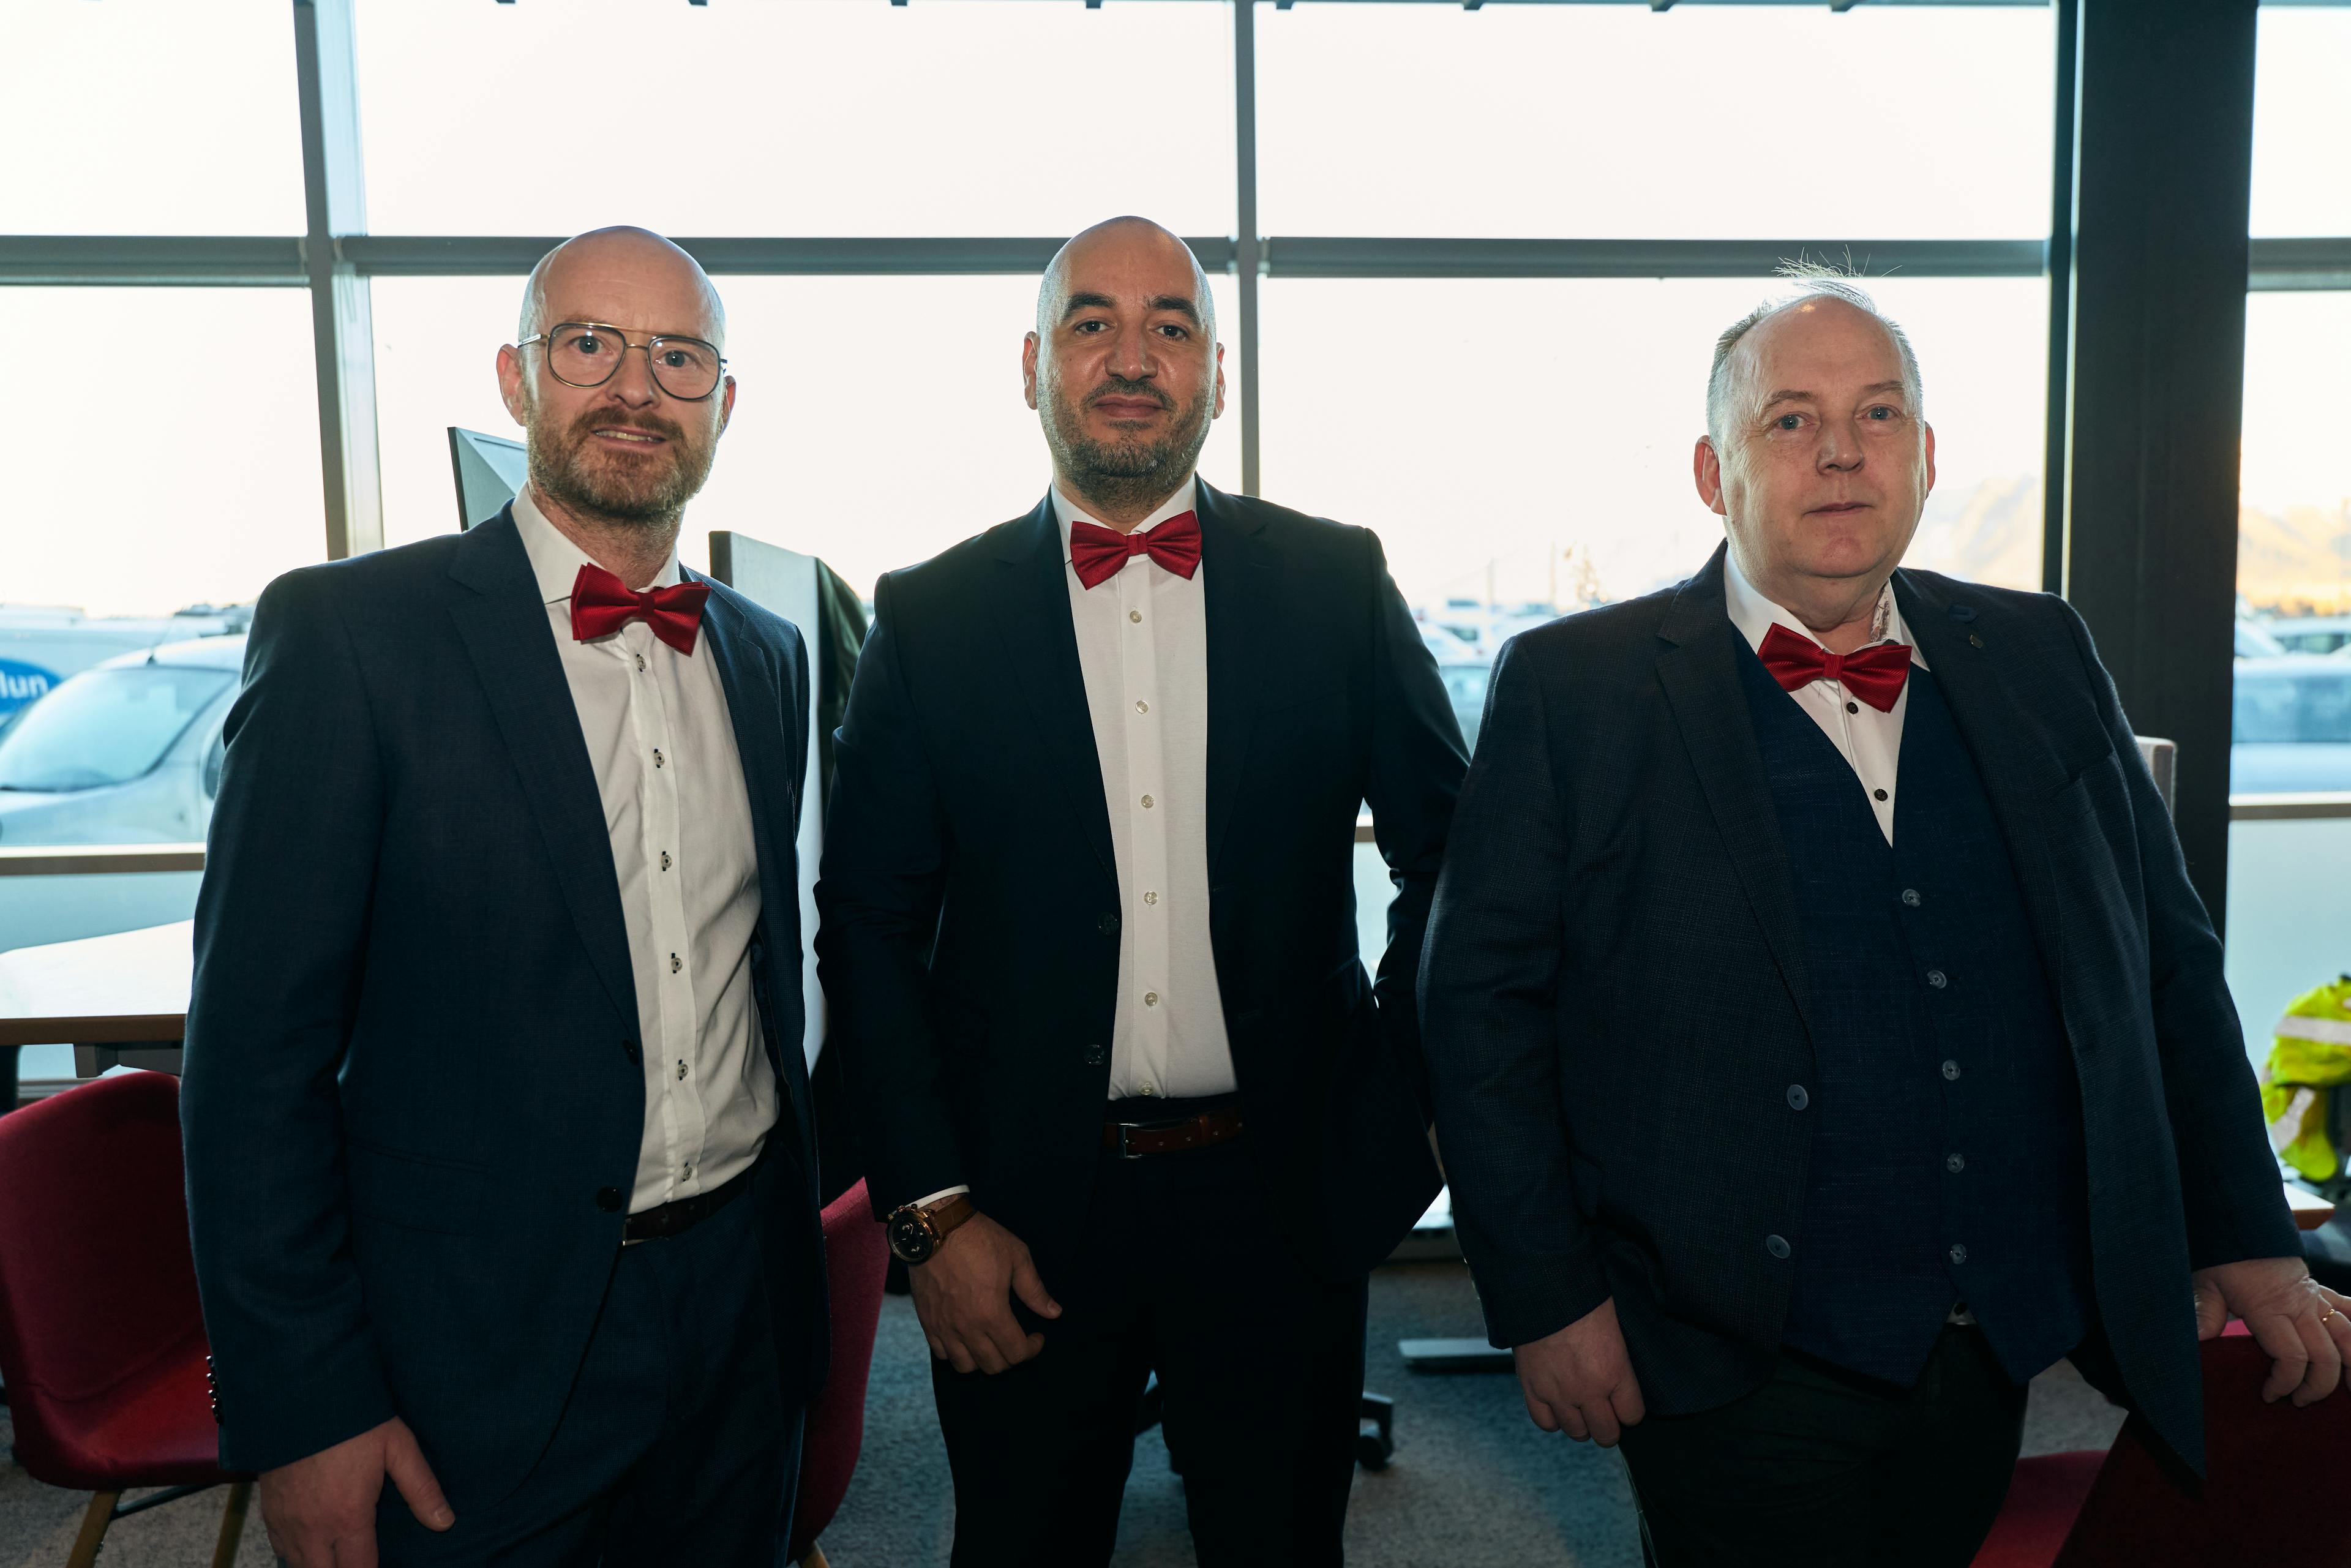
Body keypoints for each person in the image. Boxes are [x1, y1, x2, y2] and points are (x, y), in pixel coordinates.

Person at [1419, 267, 2351, 1567]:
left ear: (1925, 456)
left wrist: (2246, 1233)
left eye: (1879, 414)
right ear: (1714, 472)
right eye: (1791, 419)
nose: (1843, 452)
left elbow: (2164, 969)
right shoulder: (1577, 688)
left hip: (1993, 1339)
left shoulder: (2043, 654)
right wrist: (1544, 1299)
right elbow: (1479, 1016)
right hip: (1723, 1345)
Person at [816, 216, 1465, 1565]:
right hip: (1017, 1213)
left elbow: (1456, 867)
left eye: (1172, 326)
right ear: (1032, 367)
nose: (1132, 357)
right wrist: (933, 1219)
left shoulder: (1335, 582)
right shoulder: (929, 617)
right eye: (1092, 324)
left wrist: (1392, 1119)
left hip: (1284, 1198)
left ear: (1217, 376)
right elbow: (868, 931)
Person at [182, 227, 825, 1567]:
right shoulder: (352, 639)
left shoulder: (765, 656)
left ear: (724, 401)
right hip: (471, 1345)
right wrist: (306, 1405)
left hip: (738, 1320)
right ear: (517, 378)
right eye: (589, 344)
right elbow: (251, 1067)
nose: (635, 386)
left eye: (678, 356)